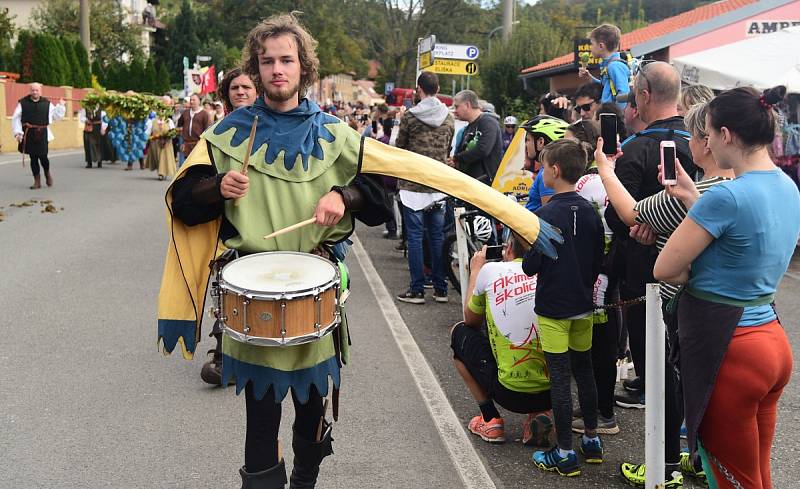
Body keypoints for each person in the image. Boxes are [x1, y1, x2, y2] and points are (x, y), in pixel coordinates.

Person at [654, 86, 799, 489]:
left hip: (730, 349)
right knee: (757, 476)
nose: (704, 141)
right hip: (770, 338)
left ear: (727, 135)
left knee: (732, 479)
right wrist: (692, 202)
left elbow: (666, 267)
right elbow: (742, 251)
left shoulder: (727, 197)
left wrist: (689, 268)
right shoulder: (787, 186)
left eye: (709, 133)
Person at [598, 102, 730, 487]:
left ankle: (666, 464)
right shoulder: (751, 187)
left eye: (695, 136)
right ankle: (697, 459)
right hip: (745, 319)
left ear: (710, 141)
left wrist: (605, 168)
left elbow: (632, 214)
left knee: (669, 377)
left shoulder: (706, 193)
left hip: (692, 311)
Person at [603, 61, 696, 410]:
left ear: (643, 95)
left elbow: (617, 213)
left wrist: (643, 226)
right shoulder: (700, 144)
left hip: (645, 269)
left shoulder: (634, 148)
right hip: (695, 264)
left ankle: (659, 422)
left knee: (652, 351)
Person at [522, 139, 605, 477]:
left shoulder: (545, 214)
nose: (542, 172)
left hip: (554, 306)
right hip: (584, 304)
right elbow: (600, 258)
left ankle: (565, 453)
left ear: (554, 171)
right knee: (584, 370)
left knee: (559, 377)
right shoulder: (591, 211)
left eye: (543, 167)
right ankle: (592, 439)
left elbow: (530, 267)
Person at [453, 235, 553, 446]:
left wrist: (476, 272)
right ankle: (538, 414)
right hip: (553, 392)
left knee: (460, 333)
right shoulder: (552, 270)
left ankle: (490, 420)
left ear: (508, 249)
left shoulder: (492, 271)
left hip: (508, 393)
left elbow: (470, 320)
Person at [567, 119, 621, 439]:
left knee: (599, 344)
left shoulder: (590, 181)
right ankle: (599, 406)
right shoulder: (606, 175)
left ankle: (603, 412)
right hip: (607, 268)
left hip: (600, 270)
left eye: (569, 142)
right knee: (600, 342)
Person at [394, 72, 454, 305]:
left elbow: (400, 147)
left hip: (412, 186)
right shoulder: (448, 117)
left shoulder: (409, 117)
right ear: (438, 89)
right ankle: (441, 289)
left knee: (416, 239)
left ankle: (417, 289)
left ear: (419, 89)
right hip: (438, 185)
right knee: (438, 238)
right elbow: (448, 148)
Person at [11, 82, 66, 189]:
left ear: (40, 91)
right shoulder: (23, 103)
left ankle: (47, 173)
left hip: (42, 134)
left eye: (37, 90)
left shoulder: (47, 103)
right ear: (30, 91)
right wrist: (17, 132)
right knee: (33, 157)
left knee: (43, 156)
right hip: (29, 133)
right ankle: (37, 181)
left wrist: (61, 105)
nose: (35, 92)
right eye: (33, 90)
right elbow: (16, 118)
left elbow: (56, 116)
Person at [449, 90, 503, 183]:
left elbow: (483, 149)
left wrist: (457, 158)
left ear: (467, 105)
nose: (455, 110)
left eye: (457, 106)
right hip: (470, 183)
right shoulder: (468, 127)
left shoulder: (488, 122)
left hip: (485, 185)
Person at [521, 116, 569, 211]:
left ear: (540, 142)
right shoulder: (549, 169)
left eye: (528, 140)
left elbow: (549, 216)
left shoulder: (548, 173)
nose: (525, 145)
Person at [579, 23, 630, 107]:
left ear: (601, 46)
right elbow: (607, 86)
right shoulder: (607, 66)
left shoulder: (614, 66)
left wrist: (616, 116)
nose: (590, 47)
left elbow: (623, 94)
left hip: (614, 116)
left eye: (592, 44)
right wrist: (590, 78)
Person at [144, 103, 177, 181]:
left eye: (163, 110)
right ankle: (160, 171)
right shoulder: (153, 121)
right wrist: (147, 139)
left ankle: (162, 173)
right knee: (158, 158)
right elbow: (148, 132)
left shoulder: (169, 121)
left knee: (164, 158)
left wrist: (169, 135)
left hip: (166, 143)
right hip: (155, 143)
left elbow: (173, 131)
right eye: (160, 110)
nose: (161, 112)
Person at [177, 93, 212, 165]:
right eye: (190, 100)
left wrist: (203, 144)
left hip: (198, 144)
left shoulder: (204, 114)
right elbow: (179, 125)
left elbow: (207, 130)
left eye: (194, 100)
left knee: (196, 166)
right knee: (185, 166)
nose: (192, 101)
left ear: (199, 101)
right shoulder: (185, 113)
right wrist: (182, 140)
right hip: (186, 144)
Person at [79, 104, 107, 169]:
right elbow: (82, 117)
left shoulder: (101, 108)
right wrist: (86, 120)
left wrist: (103, 128)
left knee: (99, 145)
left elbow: (104, 119)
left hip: (98, 128)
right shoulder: (85, 108)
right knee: (88, 145)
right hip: (89, 128)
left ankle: (99, 162)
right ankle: (89, 162)